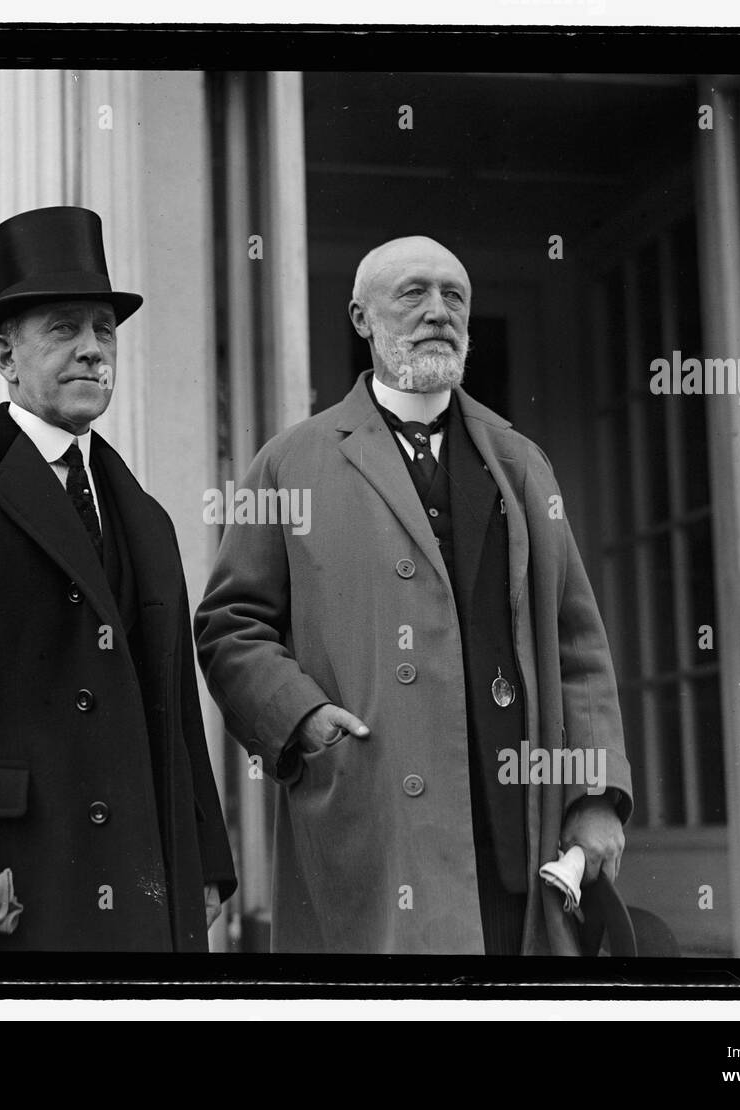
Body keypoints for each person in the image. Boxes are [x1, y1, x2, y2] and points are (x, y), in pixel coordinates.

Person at [194, 235, 630, 954]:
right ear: (361, 318)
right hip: (371, 818)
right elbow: (230, 626)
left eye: (453, 296)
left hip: (513, 829)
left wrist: (595, 795)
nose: (438, 313)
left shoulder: (521, 463)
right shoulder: (290, 463)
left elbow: (576, 643)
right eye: (413, 294)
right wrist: (301, 718)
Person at [0, 206, 235, 950]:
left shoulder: (146, 516)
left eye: (104, 330)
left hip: (141, 884)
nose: (93, 351)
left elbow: (177, 709)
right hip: (10, 882)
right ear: (6, 356)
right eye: (63, 329)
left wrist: (206, 862)